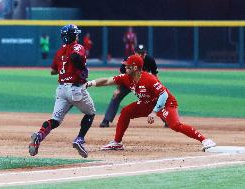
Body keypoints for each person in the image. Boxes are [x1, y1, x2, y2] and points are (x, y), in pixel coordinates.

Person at [85, 54, 216, 151]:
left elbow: (163, 94)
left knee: (175, 125)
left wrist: (154, 112)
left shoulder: (149, 79)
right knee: (126, 112)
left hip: (165, 103)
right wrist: (90, 83)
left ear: (135, 67)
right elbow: (107, 81)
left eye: (127, 65)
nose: (124, 67)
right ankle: (117, 142)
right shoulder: (126, 78)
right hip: (148, 103)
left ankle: (205, 140)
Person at [29, 24, 96, 158]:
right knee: (90, 113)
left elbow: (53, 70)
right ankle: (79, 139)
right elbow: (76, 57)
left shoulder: (59, 51)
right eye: (76, 34)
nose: (77, 35)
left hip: (61, 89)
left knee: (55, 120)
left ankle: (39, 136)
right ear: (73, 36)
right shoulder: (77, 46)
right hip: (75, 89)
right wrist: (79, 66)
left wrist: (64, 69)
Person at [100, 44, 169, 128]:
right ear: (134, 53)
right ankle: (106, 120)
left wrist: (156, 88)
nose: (141, 55)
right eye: (138, 53)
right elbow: (121, 75)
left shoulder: (150, 60)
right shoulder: (127, 60)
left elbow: (155, 75)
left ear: (145, 53)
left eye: (143, 53)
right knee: (116, 96)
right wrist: (118, 89)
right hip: (128, 83)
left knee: (154, 99)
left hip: (144, 84)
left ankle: (167, 120)